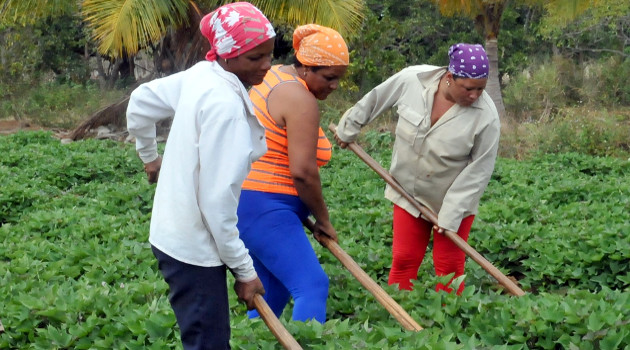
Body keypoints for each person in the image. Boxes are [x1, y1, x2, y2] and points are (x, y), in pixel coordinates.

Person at [125, 3, 276, 349]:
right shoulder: (226, 108)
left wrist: (149, 157)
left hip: (172, 234)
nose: (266, 66)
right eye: (255, 58)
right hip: (193, 246)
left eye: (269, 54)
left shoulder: (203, 74)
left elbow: (140, 100)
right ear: (226, 55)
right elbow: (216, 204)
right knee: (208, 343)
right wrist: (245, 271)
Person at [334, 43, 500, 294]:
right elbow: (375, 99)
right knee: (404, 260)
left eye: (480, 88)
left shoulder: (486, 116)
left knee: (449, 268)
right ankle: (401, 318)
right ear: (449, 77)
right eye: (468, 88)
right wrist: (350, 127)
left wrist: (450, 214)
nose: (475, 95)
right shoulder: (412, 80)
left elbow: (479, 171)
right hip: (407, 192)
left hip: (451, 201)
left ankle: (449, 324)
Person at [235, 24, 348, 323]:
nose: (334, 86)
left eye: (339, 78)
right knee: (312, 286)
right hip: (267, 205)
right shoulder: (300, 98)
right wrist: (323, 220)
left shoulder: (274, 77)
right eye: (329, 77)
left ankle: (252, 342)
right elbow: (303, 173)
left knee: (272, 292)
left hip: (251, 203)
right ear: (306, 68)